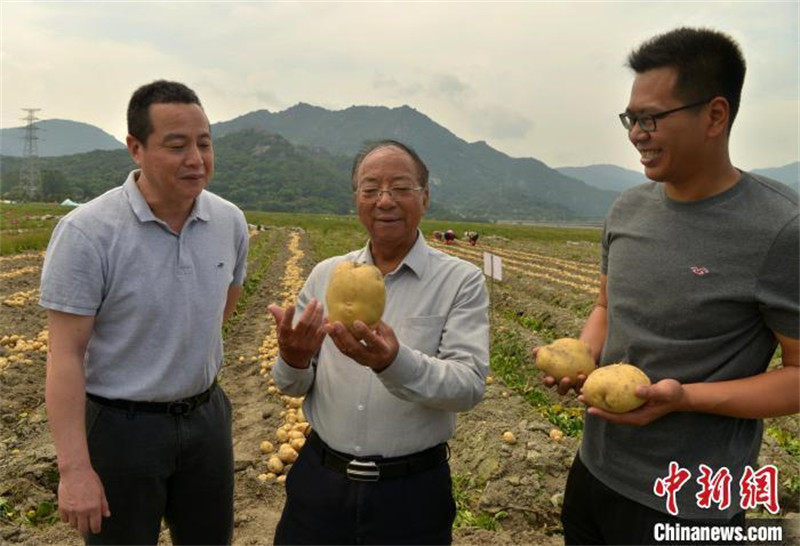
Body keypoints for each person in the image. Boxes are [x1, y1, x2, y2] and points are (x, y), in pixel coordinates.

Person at [545, 27, 799, 545]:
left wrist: (685, 398)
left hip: (689, 507)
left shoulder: (780, 229)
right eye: (631, 119)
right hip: (594, 471)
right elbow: (605, 307)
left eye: (652, 118)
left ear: (715, 115)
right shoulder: (627, 209)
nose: (637, 133)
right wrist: (582, 357)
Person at [40, 80, 249, 544]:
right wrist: (74, 469)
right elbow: (65, 354)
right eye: (176, 146)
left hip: (205, 418)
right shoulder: (87, 232)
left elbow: (221, 310)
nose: (196, 159)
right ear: (136, 148)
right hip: (120, 429)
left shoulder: (230, 222)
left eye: (204, 143)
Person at [269, 139, 490, 545]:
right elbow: (291, 384)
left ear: (424, 198)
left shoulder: (460, 281)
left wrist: (394, 362)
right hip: (320, 482)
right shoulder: (325, 275)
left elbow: (468, 386)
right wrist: (293, 358)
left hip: (411, 495)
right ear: (357, 200)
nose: (384, 200)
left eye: (400, 188)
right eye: (370, 190)